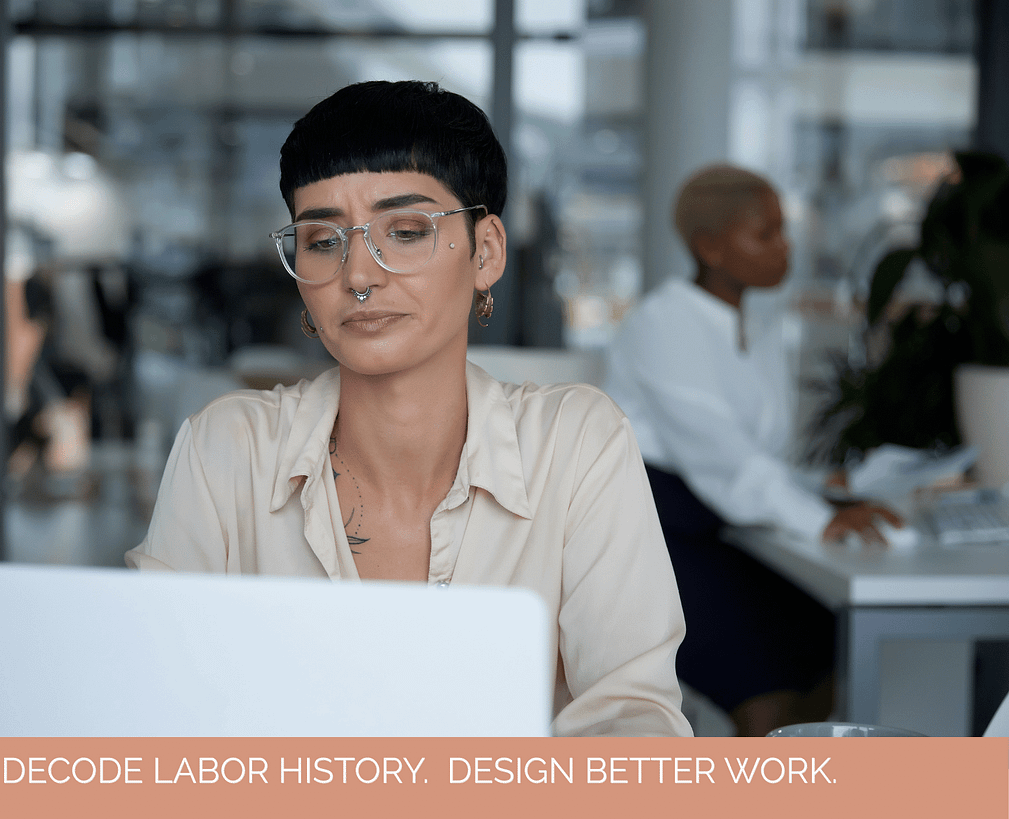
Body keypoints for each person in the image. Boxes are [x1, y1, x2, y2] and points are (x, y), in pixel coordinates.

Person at [126, 81, 690, 737]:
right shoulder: (227, 449)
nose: (359, 275)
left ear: (486, 253)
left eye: (406, 230)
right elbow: (151, 708)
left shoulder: (575, 445)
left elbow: (634, 719)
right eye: (324, 240)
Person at [603, 164, 904, 736]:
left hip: (716, 529)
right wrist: (819, 520)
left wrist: (824, 497)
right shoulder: (663, 323)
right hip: (651, 543)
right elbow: (724, 463)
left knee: (824, 639)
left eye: (783, 232)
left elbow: (752, 454)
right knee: (766, 682)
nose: (785, 249)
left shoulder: (757, 325)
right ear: (710, 247)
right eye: (764, 234)